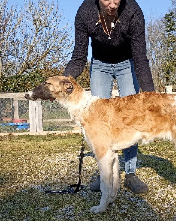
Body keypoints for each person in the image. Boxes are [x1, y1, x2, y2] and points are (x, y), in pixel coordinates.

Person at [63, 0, 155, 194]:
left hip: (127, 63)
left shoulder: (133, 11)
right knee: (97, 120)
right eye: (107, 0)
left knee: (129, 118)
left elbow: (140, 57)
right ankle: (103, 174)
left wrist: (150, 95)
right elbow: (79, 55)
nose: (112, 5)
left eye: (116, 0)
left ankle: (130, 173)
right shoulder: (85, 12)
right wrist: (65, 81)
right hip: (100, 65)